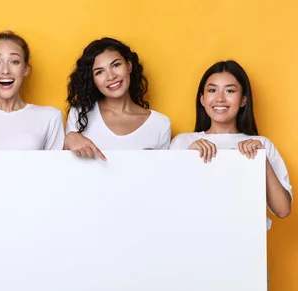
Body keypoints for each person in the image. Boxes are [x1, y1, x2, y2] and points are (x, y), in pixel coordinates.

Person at [170, 60, 292, 226]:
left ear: (243, 100)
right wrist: (187, 160)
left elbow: (283, 210)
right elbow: (168, 203)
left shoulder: (261, 144)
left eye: (230, 91)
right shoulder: (183, 143)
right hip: (194, 241)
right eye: (212, 90)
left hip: (246, 244)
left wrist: (261, 159)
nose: (220, 98)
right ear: (202, 99)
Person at [64, 37, 171, 160]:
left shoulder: (160, 124)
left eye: (116, 65)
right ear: (92, 80)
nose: (111, 76)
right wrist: (69, 138)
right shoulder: (80, 114)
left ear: (129, 66)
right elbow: (65, 169)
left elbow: (162, 175)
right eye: (99, 72)